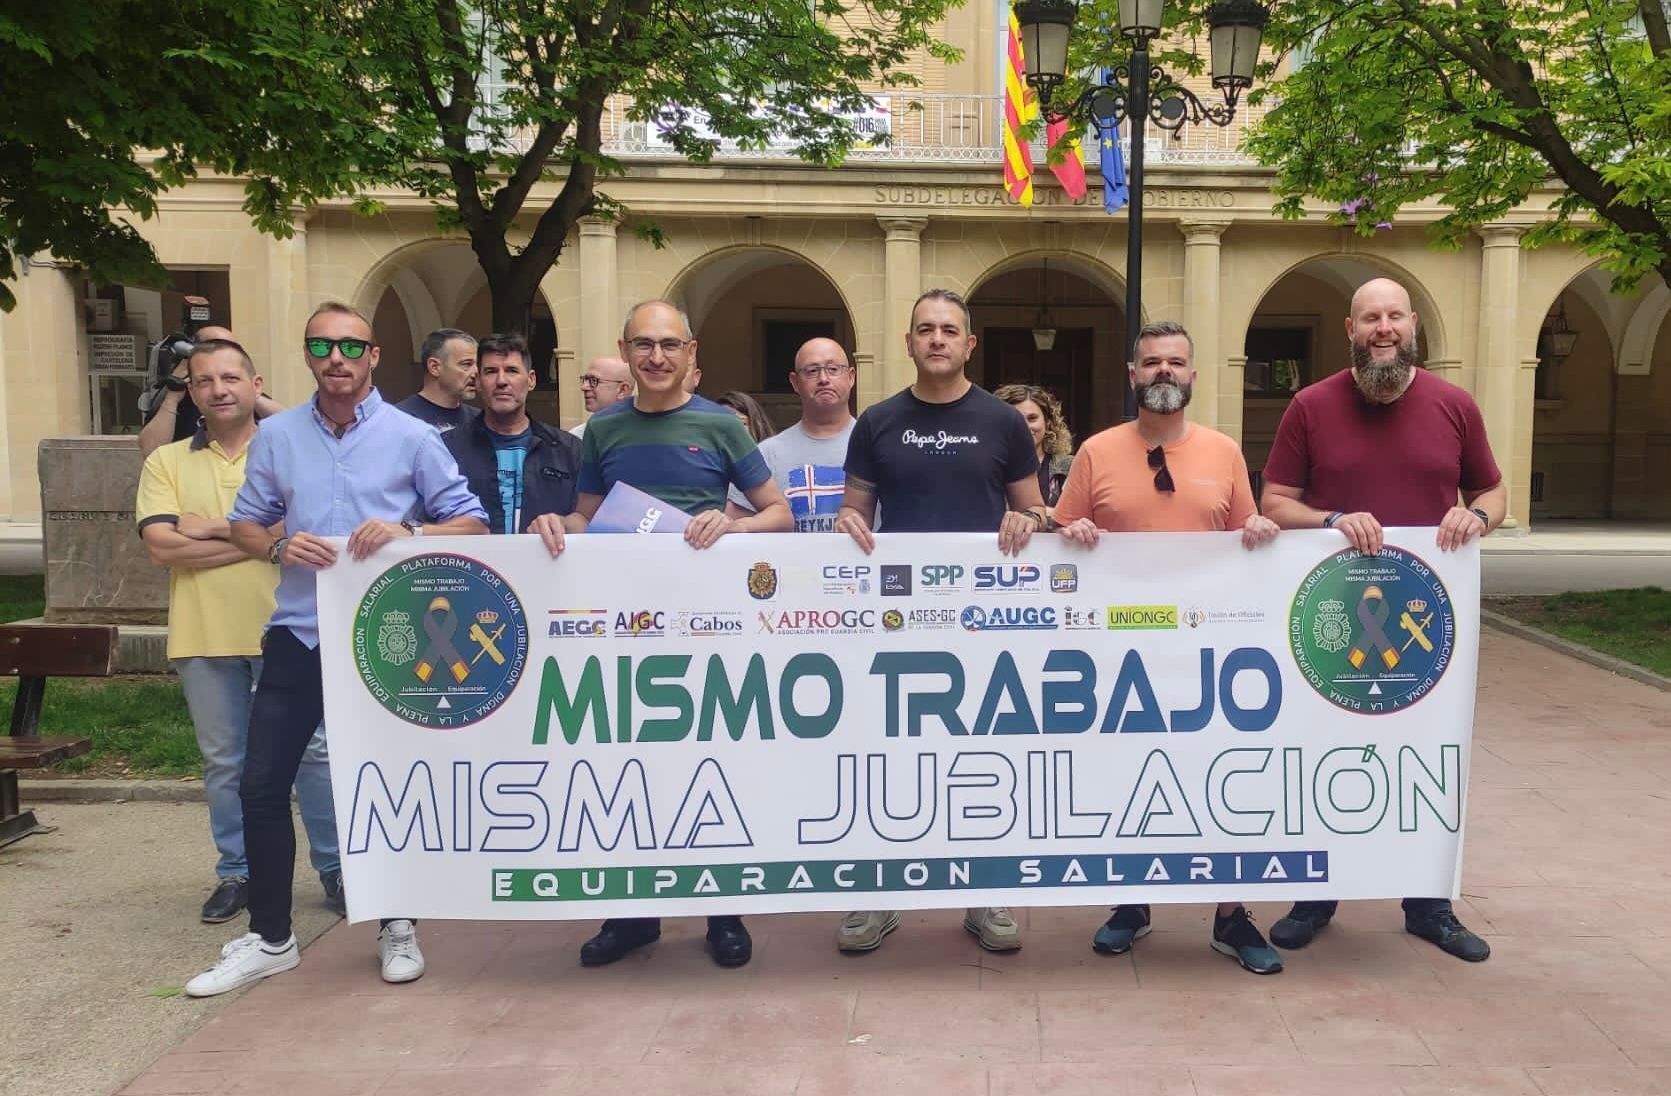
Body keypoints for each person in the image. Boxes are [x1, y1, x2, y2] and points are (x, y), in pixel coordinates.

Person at [183, 302, 489, 997]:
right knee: (260, 785)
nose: (337, 358)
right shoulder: (279, 436)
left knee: (381, 789)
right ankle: (271, 938)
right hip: (297, 631)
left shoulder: (411, 437)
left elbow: (470, 520)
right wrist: (279, 544)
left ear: (374, 355)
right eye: (322, 345)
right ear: (308, 356)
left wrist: (408, 534)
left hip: (388, 640)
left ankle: (396, 923)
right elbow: (246, 525)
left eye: (351, 346)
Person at [527, 299, 791, 970]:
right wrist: (555, 526)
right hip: (623, 630)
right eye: (643, 344)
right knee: (629, 767)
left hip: (705, 626)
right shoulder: (603, 430)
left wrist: (731, 526)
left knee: (707, 767)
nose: (655, 356)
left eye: (669, 345)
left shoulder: (720, 426)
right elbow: (588, 516)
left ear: (691, 352)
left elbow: (779, 516)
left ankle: (722, 913)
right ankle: (632, 915)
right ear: (626, 347)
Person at [1260, 276, 1506, 964]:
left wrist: (1475, 514)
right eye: (1370, 317)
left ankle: (1427, 903)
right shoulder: (1310, 406)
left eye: (1393, 315)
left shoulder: (1453, 405)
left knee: (1426, 754)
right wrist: (1332, 519)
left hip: (1427, 617)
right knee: (1323, 752)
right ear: (1349, 328)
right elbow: (1274, 500)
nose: (1383, 327)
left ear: (1410, 325)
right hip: (1330, 616)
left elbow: (1492, 489)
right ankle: (1317, 894)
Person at [1052, 320, 1285, 975]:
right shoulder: (1096, 452)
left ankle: (1230, 916)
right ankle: (1132, 903)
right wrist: (1067, 534)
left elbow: (1248, 532)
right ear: (1131, 375)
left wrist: (1262, 529)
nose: (1162, 372)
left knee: (1218, 784)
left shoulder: (1224, 453)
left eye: (1174, 362)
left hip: (1209, 656)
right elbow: (1063, 531)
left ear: (1191, 375)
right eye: (1149, 362)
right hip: (1119, 656)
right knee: (1131, 783)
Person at [832, 288, 1046, 955]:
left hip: (985, 620)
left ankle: (986, 894)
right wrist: (844, 525)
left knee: (982, 756)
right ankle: (879, 898)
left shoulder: (1002, 422)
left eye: (948, 330)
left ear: (968, 343)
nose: (936, 340)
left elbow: (1037, 510)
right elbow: (854, 512)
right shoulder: (877, 421)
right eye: (924, 329)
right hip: (897, 619)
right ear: (907, 342)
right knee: (890, 754)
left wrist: (1027, 520)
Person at [135, 339, 339, 924]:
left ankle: (335, 868)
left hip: (291, 633)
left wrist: (213, 531)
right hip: (203, 636)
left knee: (315, 757)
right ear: (193, 393)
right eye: (204, 381)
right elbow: (160, 546)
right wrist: (259, 541)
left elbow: (309, 528)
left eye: (230, 377)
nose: (218, 389)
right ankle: (238, 872)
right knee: (224, 762)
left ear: (257, 385)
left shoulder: (290, 450)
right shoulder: (166, 462)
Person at [445, 332, 581, 534]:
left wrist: (563, 522)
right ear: (479, 381)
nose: (501, 381)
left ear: (531, 380)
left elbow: (586, 517)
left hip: (545, 562)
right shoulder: (448, 449)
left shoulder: (568, 449)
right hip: (473, 564)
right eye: (491, 371)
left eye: (511, 370)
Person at [725, 337, 863, 534]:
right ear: (795, 382)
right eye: (812, 371)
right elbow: (735, 523)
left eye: (833, 369)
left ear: (851, 377)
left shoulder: (874, 446)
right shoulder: (766, 453)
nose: (824, 379)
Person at [138, 325, 285, 458]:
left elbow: (287, 427)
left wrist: (247, 391)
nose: (219, 391)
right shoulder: (176, 391)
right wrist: (173, 393)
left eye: (230, 348)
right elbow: (150, 452)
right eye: (214, 347)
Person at [994, 383, 1075, 523]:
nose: (1024, 427)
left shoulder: (1070, 466)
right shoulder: (987, 466)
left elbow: (1079, 516)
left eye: (1032, 418)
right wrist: (1050, 513)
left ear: (1048, 422)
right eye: (1016, 420)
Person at [394, 328, 479, 434]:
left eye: (477, 365)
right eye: (466, 364)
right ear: (434, 367)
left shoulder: (479, 420)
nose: (476, 372)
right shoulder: (399, 419)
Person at [570, 355, 634, 438]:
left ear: (623, 390)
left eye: (594, 380)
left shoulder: (640, 434)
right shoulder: (577, 436)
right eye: (585, 379)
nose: (584, 387)